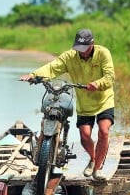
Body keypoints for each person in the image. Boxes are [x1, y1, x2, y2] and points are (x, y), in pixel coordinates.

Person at [20, 28, 115, 181]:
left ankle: (97, 169)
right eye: (79, 49)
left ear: (92, 44)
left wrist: (98, 84)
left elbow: (110, 77)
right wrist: (33, 75)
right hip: (84, 101)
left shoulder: (103, 53)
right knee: (85, 136)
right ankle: (94, 159)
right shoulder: (70, 57)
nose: (82, 52)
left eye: (85, 49)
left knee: (103, 131)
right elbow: (53, 66)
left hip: (104, 99)